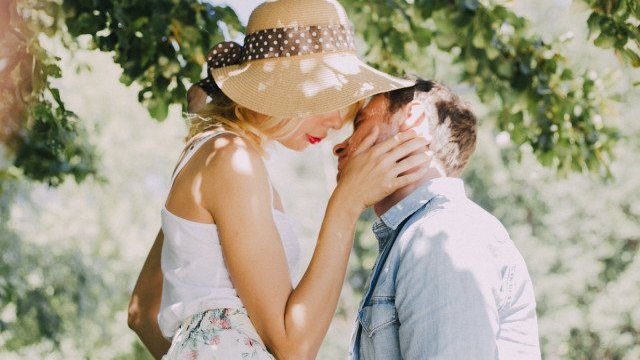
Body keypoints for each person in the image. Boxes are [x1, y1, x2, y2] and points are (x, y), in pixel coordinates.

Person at [127, 1, 429, 359]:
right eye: (330, 96)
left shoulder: (212, 154)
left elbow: (142, 311)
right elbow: (293, 347)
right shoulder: (230, 158)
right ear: (283, 89)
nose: (337, 121)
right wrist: (346, 204)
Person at [333, 79, 541, 359]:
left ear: (413, 121)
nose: (339, 145)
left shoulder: (443, 235)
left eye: (359, 122)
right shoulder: (418, 236)